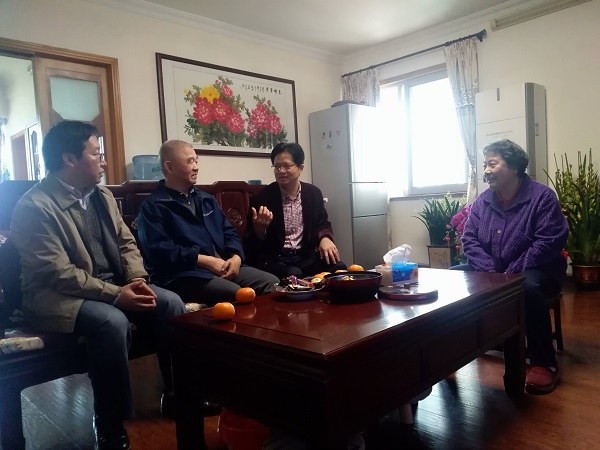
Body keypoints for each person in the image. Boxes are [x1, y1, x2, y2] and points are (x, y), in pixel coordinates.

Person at [10, 121, 187, 450]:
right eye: (96, 154)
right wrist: (118, 296)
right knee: (111, 321)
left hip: (112, 286)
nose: (104, 161)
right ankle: (110, 421)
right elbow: (58, 273)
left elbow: (127, 244)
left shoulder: (102, 196)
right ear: (70, 159)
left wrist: (136, 280)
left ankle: (179, 395)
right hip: (57, 297)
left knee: (171, 303)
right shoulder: (35, 207)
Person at [459, 139, 569, 395]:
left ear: (515, 167)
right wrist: (490, 270)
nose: (486, 170)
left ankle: (544, 362)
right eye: (485, 165)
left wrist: (511, 272)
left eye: (492, 164)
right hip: (493, 270)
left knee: (526, 288)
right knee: (452, 279)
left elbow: (548, 241)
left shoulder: (541, 197)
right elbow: (469, 239)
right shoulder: (483, 201)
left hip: (538, 269)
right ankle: (455, 348)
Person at [136, 140, 278, 306]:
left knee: (272, 283)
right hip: (186, 274)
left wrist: (236, 257)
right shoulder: (153, 206)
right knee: (235, 293)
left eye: (196, 161)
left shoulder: (206, 199)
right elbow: (160, 251)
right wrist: (204, 260)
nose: (196, 167)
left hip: (223, 266)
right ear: (169, 167)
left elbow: (229, 232)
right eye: (190, 162)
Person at [244, 142, 346, 279]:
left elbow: (322, 221)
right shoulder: (262, 198)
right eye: (277, 166)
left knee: (339, 268)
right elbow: (249, 242)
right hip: (275, 259)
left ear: (300, 168)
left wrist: (325, 238)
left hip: (305, 256)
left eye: (287, 166)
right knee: (294, 275)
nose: (281, 171)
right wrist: (259, 231)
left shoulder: (313, 193)